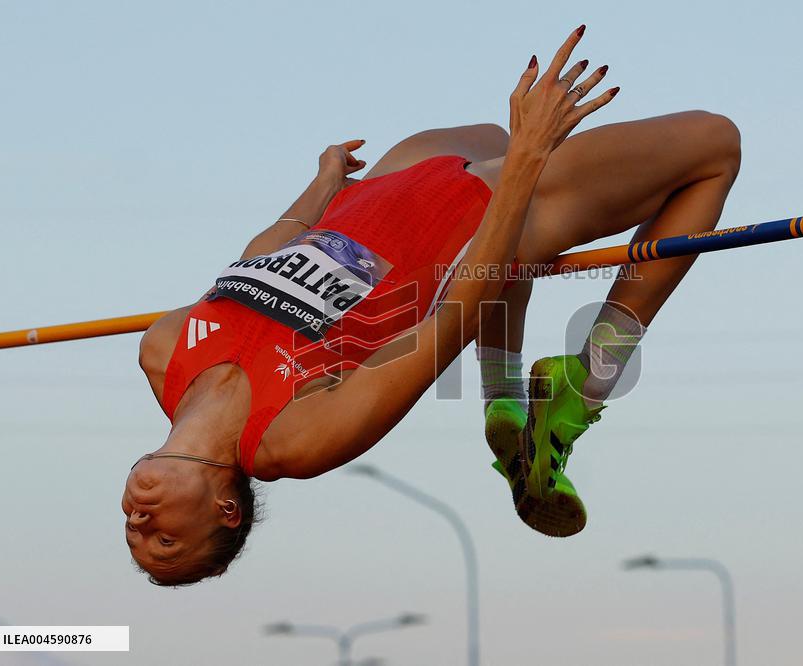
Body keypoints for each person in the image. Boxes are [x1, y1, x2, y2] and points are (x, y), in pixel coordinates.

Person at [127, 25, 741, 585]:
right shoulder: (293, 441)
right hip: (478, 216)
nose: (138, 521)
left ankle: (506, 398)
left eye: (132, 530)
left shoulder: (162, 353)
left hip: (379, 193)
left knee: (490, 135)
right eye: (164, 538)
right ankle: (583, 392)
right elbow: (452, 319)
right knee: (715, 145)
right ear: (225, 510)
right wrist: (526, 161)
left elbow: (260, 260)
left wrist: (324, 184)